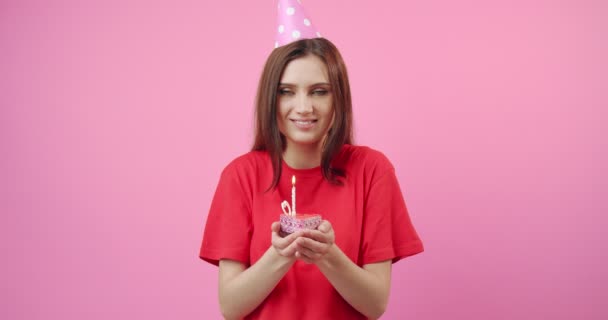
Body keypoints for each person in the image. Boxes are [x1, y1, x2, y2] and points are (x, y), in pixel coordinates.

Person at [198, 37, 424, 319]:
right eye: (286, 91)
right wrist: (280, 254)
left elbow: (374, 304)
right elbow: (231, 307)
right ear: (270, 98)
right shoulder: (240, 176)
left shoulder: (372, 170)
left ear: (338, 98)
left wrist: (327, 255)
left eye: (319, 91)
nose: (303, 107)